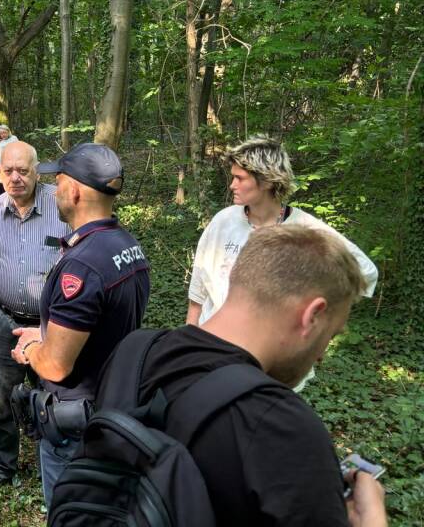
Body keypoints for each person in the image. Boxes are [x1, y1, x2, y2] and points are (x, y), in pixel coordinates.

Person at [102, 225, 387, 527]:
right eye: (330, 335)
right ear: (312, 316)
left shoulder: (134, 352)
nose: (321, 355)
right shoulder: (284, 429)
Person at [11, 142, 150, 506]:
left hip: (77, 425)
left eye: (56, 182)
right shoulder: (125, 245)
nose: (53, 192)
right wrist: (45, 334)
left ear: (73, 191)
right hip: (115, 408)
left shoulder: (82, 265)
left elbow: (56, 365)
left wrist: (31, 348)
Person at [186, 136, 378, 387]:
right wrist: (190, 332)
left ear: (265, 180)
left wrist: (317, 327)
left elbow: (365, 271)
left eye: (239, 178)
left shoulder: (305, 230)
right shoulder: (224, 221)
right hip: (214, 351)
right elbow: (200, 280)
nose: (232, 185)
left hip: (273, 368)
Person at [0, 140, 68, 492]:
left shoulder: (61, 204)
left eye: (23, 170)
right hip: (1, 322)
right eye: (8, 171)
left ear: (37, 170)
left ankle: (56, 468)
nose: (15, 178)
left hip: (53, 324)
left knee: (56, 397)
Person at [0, 125, 18, 195]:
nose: (3, 135)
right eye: (1, 133)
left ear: (8, 132)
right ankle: (0, 196)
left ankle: (10, 195)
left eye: (4, 132)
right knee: (0, 181)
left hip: (10, 163)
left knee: (9, 180)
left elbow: (18, 148)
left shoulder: (13, 138)